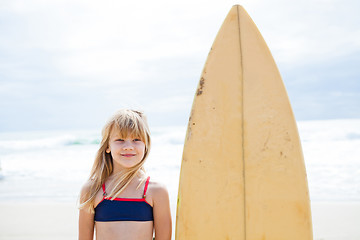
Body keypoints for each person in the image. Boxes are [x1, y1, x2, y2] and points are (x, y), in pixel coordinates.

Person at [79, 109, 172, 240]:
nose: (128, 146)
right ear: (107, 146)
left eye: (136, 139)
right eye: (120, 139)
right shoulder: (92, 190)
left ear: (146, 145)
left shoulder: (156, 191)